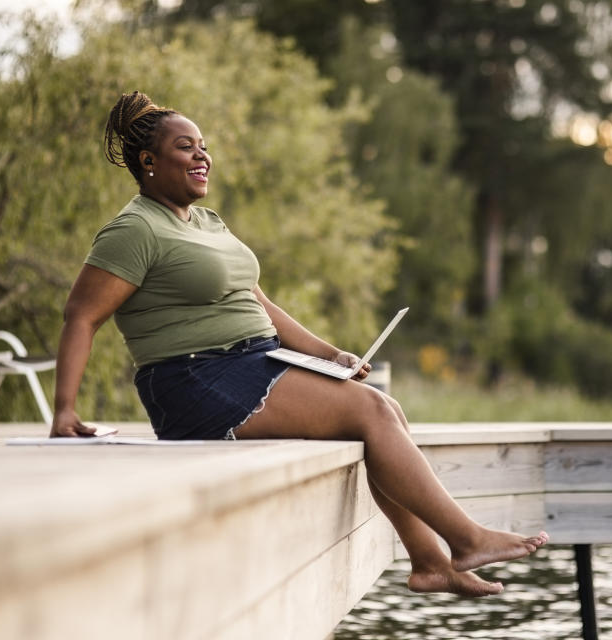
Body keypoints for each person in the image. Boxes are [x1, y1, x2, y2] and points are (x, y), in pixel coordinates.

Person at [51, 91, 548, 597]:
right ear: (149, 162)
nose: (203, 156)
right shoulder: (133, 230)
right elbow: (82, 315)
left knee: (384, 410)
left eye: (204, 146)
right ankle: (465, 540)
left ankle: (430, 563)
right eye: (186, 147)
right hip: (195, 379)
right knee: (371, 412)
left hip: (252, 362)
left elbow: (259, 303)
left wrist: (330, 355)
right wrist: (64, 411)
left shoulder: (208, 222)